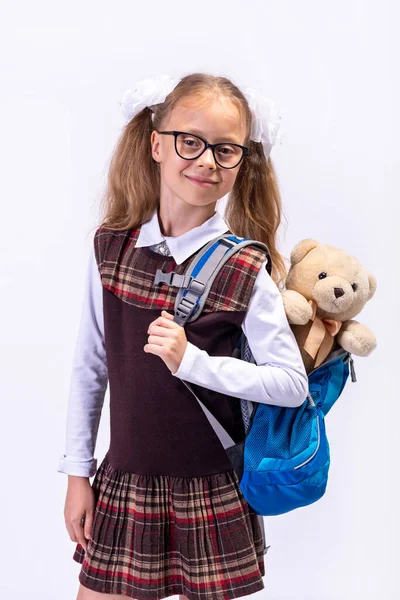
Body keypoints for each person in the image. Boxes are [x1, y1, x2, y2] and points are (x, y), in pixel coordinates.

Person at [58, 72, 309, 600]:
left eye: (225, 150)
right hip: (124, 484)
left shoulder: (244, 267)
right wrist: (77, 473)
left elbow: (291, 383)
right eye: (190, 142)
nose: (206, 161)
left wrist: (193, 361)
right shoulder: (111, 247)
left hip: (209, 492)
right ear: (156, 143)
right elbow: (91, 365)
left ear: (242, 161)